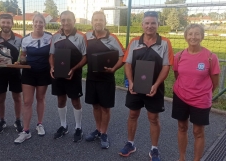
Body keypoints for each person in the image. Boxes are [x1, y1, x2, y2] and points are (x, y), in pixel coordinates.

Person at [119, 11, 173, 161]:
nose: (150, 26)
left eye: (153, 23)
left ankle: (154, 149)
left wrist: (156, 85)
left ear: (158, 24)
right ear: (142, 25)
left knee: (153, 118)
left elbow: (166, 67)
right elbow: (128, 64)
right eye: (147, 23)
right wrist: (130, 81)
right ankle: (130, 144)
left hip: (154, 88)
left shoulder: (165, 43)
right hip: (135, 86)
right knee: (132, 115)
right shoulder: (134, 42)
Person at [172, 24, 220, 161]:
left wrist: (201, 92)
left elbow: (214, 82)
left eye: (197, 34)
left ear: (202, 36)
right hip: (180, 96)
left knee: (198, 131)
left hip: (201, 100)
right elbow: (177, 75)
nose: (193, 37)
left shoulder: (211, 57)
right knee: (182, 127)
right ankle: (182, 158)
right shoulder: (179, 56)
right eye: (190, 34)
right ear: (186, 36)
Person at [84, 11, 124, 149]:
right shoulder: (86, 36)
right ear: (92, 22)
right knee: (95, 105)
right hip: (91, 77)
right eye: (95, 20)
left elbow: (122, 57)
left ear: (105, 22)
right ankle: (98, 129)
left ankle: (104, 133)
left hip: (106, 78)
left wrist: (113, 69)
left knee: (105, 107)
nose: (98, 22)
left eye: (101, 20)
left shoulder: (112, 38)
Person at [14, 13, 52, 144]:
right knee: (27, 102)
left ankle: (39, 124)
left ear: (44, 24)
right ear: (32, 23)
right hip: (29, 73)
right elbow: (23, 56)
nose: (38, 24)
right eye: (36, 22)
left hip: (44, 72)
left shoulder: (50, 38)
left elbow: (53, 55)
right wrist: (20, 61)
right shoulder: (25, 39)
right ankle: (25, 131)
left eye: (41, 22)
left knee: (40, 98)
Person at [49, 10, 87, 142]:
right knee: (60, 100)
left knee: (75, 101)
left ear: (74, 21)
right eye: (63, 20)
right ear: (60, 21)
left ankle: (78, 127)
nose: (66, 22)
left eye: (68, 20)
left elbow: (85, 57)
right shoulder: (55, 36)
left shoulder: (81, 37)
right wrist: (52, 67)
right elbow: (51, 55)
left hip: (74, 74)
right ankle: (63, 126)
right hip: (58, 74)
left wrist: (74, 69)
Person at [0, 14, 23, 134]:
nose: (6, 25)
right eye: (3, 22)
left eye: (8, 22)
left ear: (12, 23)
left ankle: (17, 120)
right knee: (1, 98)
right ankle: (2, 120)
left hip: (14, 71)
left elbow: (24, 53)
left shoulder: (19, 38)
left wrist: (20, 61)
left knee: (17, 97)